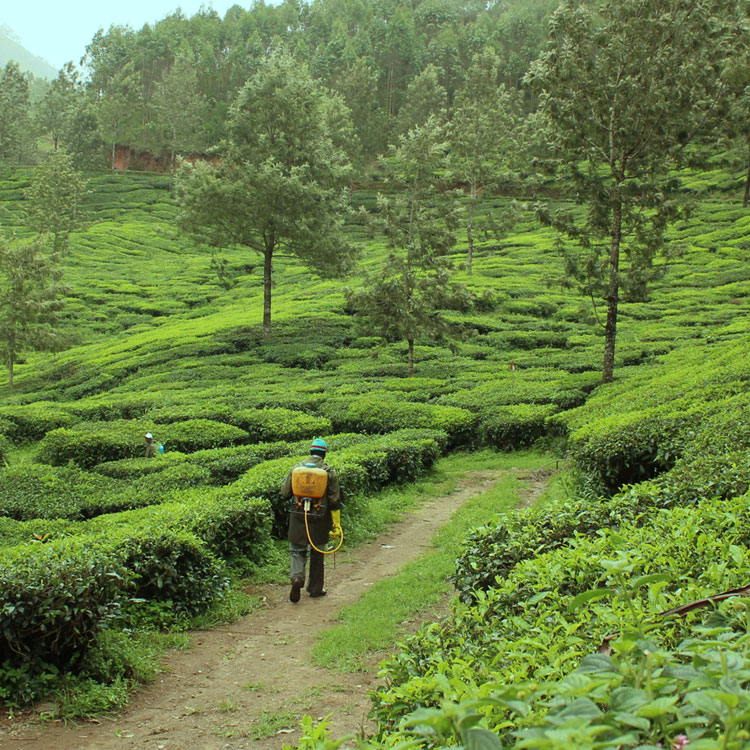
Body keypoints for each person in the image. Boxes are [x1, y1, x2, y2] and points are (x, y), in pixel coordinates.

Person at [280, 438, 341, 603]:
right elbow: (335, 500)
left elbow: (285, 493)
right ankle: (315, 588)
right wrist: (336, 523)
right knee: (318, 553)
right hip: (320, 518)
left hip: (298, 516)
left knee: (297, 551)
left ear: (310, 452)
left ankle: (297, 579)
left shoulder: (296, 469)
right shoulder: (329, 472)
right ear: (324, 454)